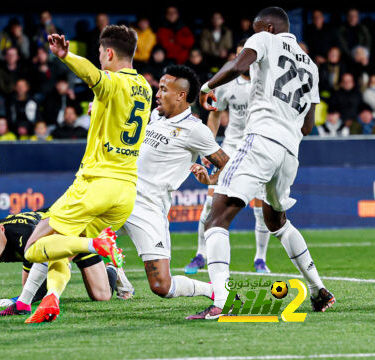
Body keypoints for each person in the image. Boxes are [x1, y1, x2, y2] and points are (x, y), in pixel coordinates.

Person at [193, 7, 335, 320]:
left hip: (261, 139)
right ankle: (318, 289)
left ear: (267, 28)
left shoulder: (264, 40)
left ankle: (220, 301)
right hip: (291, 151)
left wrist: (207, 87)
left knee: (216, 217)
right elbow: (309, 125)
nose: (251, 37)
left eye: (256, 30)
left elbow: (238, 64)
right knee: (277, 221)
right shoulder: (310, 64)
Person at [21, 25, 152, 323]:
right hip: (126, 190)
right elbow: (119, 115)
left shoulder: (113, 82)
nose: (99, 59)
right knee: (63, 248)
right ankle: (51, 299)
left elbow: (94, 76)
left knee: (33, 249)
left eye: (99, 54)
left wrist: (67, 56)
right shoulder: (145, 87)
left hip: (96, 184)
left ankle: (98, 246)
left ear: (108, 53)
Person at [121, 65, 227, 305]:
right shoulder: (155, 117)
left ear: (180, 95)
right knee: (68, 235)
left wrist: (210, 180)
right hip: (120, 195)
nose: (157, 94)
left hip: (149, 207)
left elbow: (228, 166)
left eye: (163, 89)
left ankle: (212, 290)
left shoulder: (195, 130)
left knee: (162, 286)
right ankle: (27, 298)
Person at [186, 40, 271, 275]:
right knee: (211, 202)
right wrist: (208, 147)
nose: (241, 59)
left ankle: (260, 259)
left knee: (261, 205)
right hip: (231, 149)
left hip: (259, 148)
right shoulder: (224, 82)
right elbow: (214, 115)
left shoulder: (268, 80)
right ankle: (201, 253)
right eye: (238, 54)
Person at [0, 210, 133, 316]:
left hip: (70, 236)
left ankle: (113, 269)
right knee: (30, 288)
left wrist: (17, 300)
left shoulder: (25, 238)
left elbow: (39, 285)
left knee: (102, 296)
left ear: (1, 229)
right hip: (49, 246)